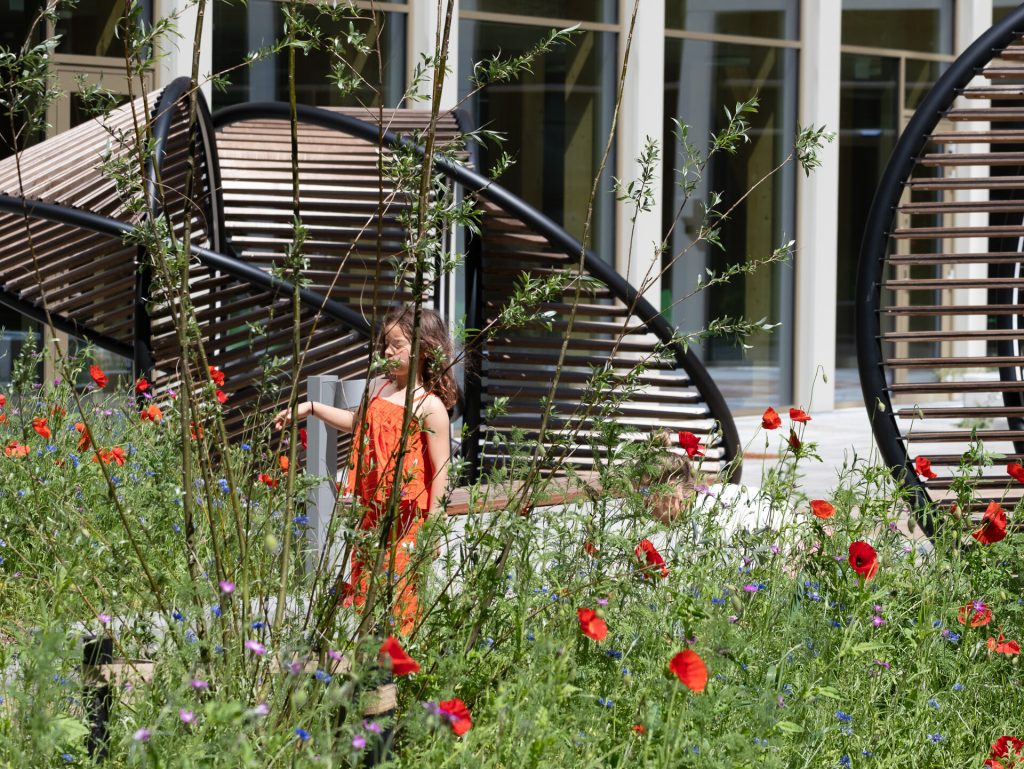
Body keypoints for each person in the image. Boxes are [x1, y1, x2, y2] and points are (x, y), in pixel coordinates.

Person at [274, 305, 456, 634]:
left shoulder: (429, 406)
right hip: (371, 513)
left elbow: (441, 469)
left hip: (405, 519)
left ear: (424, 348)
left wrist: (435, 527)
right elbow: (356, 424)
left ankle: (393, 665)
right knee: (367, 587)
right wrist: (310, 407)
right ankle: (371, 661)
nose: (387, 351)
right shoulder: (378, 388)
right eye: (385, 343)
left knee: (399, 593)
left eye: (396, 344)